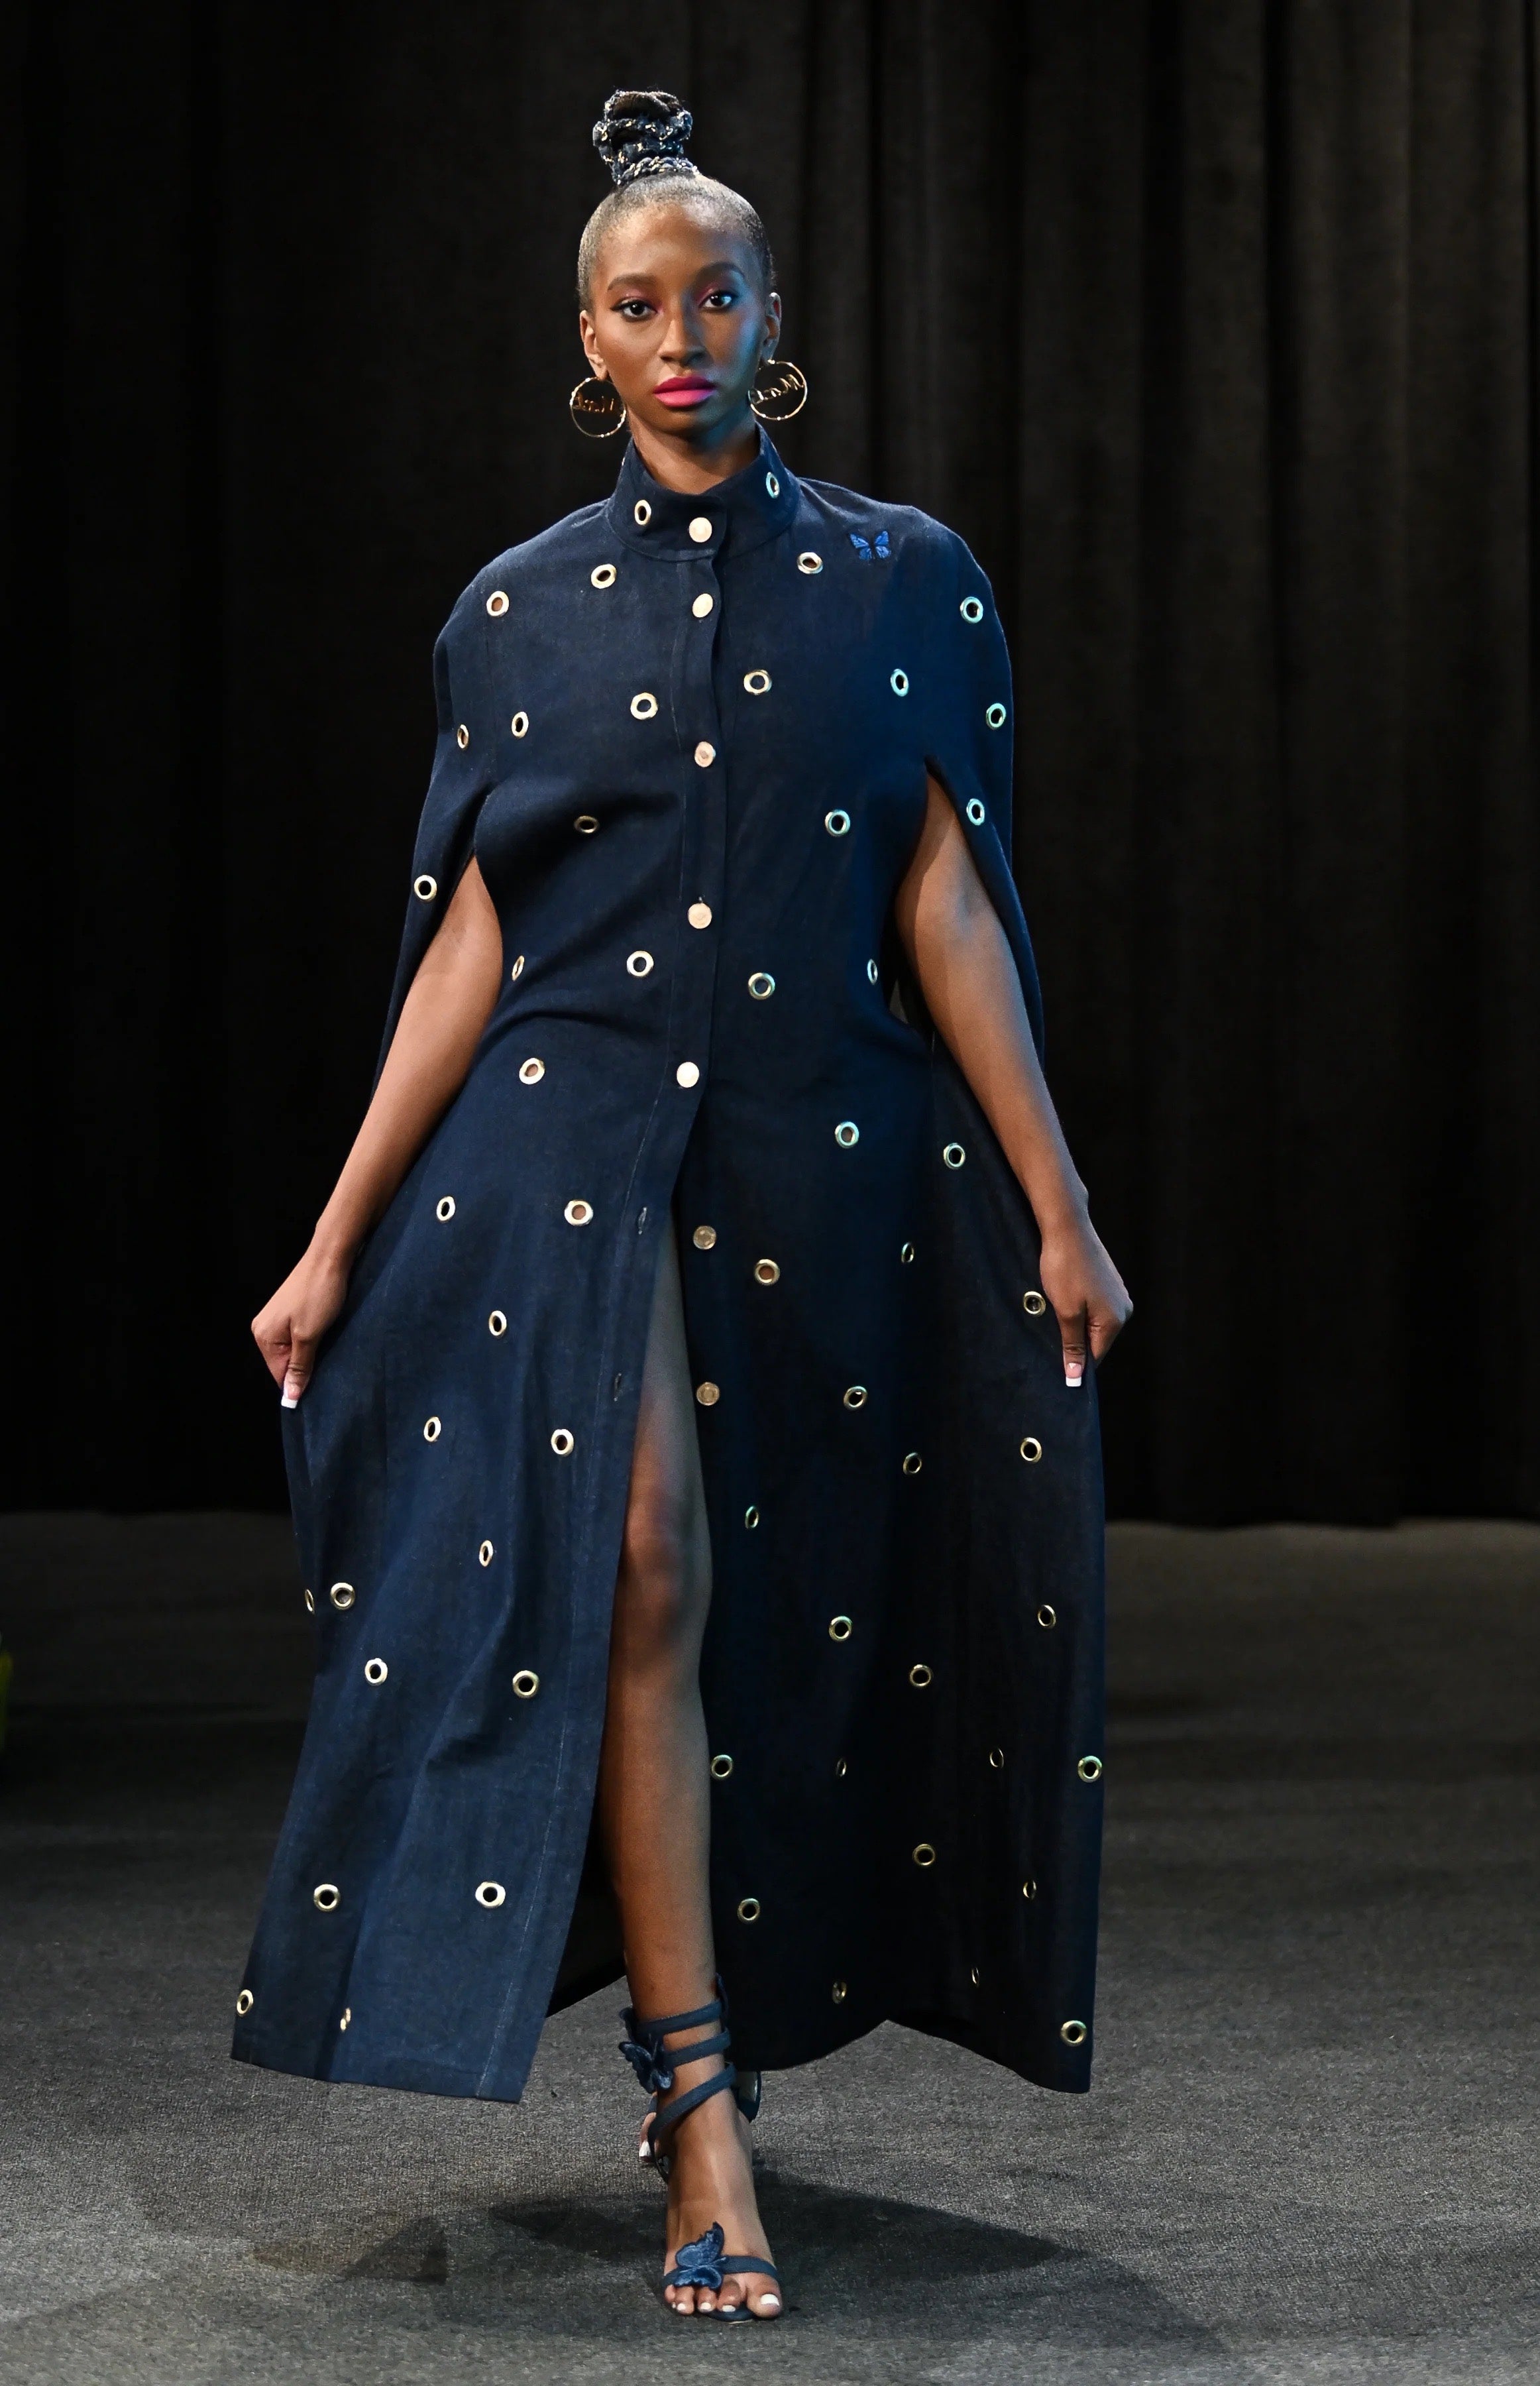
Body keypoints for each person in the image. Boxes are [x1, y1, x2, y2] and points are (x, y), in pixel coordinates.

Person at [241, 89, 1130, 2322]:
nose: (679, 335)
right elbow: (471, 934)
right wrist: (336, 1229)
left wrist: (1060, 1199)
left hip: (815, 1147)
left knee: (801, 1598)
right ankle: (695, 2108)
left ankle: (729, 2042)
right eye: (639, 304)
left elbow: (947, 900)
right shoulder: (515, 612)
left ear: (767, 319)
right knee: (637, 1559)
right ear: (585, 336)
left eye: (712, 295)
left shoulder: (903, 577)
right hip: (561, 1154)